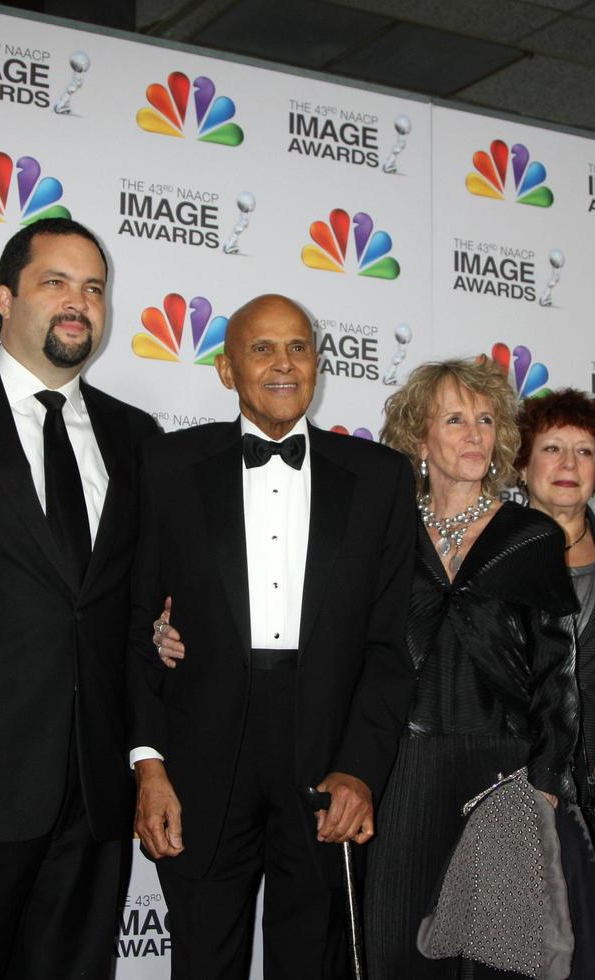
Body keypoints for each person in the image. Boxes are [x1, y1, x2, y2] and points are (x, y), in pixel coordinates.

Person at [127, 294, 415, 978]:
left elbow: (389, 643)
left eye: (299, 347)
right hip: (199, 753)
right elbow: (132, 622)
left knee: (314, 960)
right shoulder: (166, 466)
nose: (284, 364)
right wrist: (148, 761)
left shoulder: (380, 479)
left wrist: (361, 768)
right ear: (227, 371)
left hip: (327, 754)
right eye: (262, 349)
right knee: (202, 958)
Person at [0, 217, 160, 979]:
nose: (77, 302)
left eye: (94, 288)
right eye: (55, 282)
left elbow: (142, 594)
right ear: (3, 296)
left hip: (96, 783)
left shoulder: (137, 435)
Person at [363, 361, 595, 979]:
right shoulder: (388, 532)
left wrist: (548, 779)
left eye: (486, 420)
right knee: (397, 946)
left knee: (497, 959)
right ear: (419, 439)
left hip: (503, 772)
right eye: (455, 420)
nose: (476, 434)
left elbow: (557, 669)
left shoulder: (529, 535)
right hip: (402, 768)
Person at [514, 388, 595, 901]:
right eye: (552, 448)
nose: (569, 463)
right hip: (511, 784)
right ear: (521, 466)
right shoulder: (492, 555)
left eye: (584, 451)